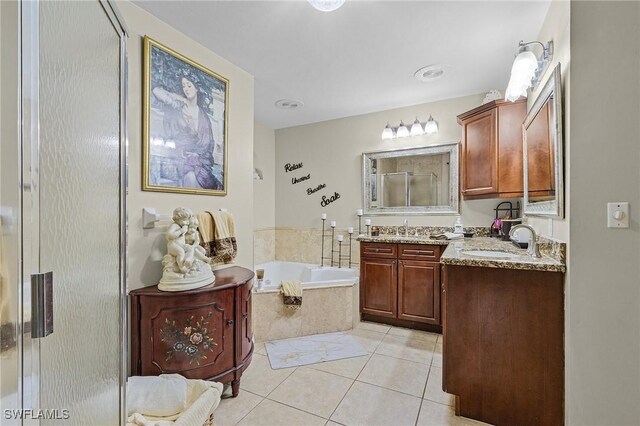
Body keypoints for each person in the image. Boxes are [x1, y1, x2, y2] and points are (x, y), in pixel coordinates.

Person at [152, 71, 222, 190]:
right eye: (184, 86)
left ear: (197, 88)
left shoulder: (203, 116)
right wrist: (177, 99)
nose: (186, 89)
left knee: (209, 182)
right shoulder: (178, 107)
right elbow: (156, 91)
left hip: (200, 161)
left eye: (189, 85)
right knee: (190, 176)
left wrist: (198, 155)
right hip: (180, 158)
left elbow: (209, 144)